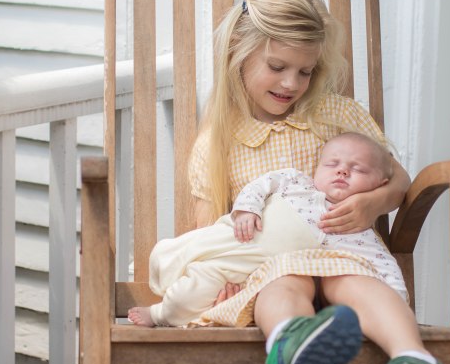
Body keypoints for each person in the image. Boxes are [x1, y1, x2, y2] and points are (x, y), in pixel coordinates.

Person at [164, 0, 450, 364]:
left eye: (304, 71)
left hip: (346, 254)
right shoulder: (219, 142)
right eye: (277, 66)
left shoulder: (336, 113)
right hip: (275, 267)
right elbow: (210, 229)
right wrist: (219, 276)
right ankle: (298, 347)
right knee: (282, 287)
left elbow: (397, 176)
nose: (292, 83)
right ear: (238, 54)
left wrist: (374, 203)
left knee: (361, 285)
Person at [129, 132, 408, 329]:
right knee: (175, 252)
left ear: (379, 184)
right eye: (332, 164)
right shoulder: (296, 182)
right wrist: (247, 209)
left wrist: (398, 305)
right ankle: (168, 265)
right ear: (317, 168)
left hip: (247, 276)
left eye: (358, 169)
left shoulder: (355, 231)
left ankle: (159, 313)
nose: (342, 171)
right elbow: (262, 185)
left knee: (189, 297)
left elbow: (383, 267)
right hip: (237, 234)